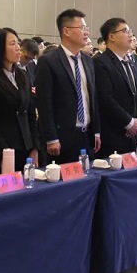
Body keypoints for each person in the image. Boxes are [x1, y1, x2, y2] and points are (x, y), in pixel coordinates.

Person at [36, 9, 101, 164]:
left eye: (87, 28)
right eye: (82, 28)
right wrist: (51, 137)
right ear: (66, 31)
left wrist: (97, 131)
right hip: (62, 138)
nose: (87, 33)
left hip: (87, 135)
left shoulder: (88, 60)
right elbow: (44, 103)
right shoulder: (49, 61)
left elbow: (92, 98)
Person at [0, 28, 39, 173]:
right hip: (1, 150)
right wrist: (4, 153)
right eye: (12, 44)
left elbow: (30, 114)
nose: (18, 48)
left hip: (25, 147)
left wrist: (35, 147)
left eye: (18, 43)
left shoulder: (23, 75)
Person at [94, 18, 137, 157]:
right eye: (125, 31)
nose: (130, 35)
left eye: (130, 31)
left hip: (135, 134)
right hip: (113, 135)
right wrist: (128, 122)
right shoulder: (100, 62)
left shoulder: (133, 63)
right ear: (111, 37)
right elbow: (105, 98)